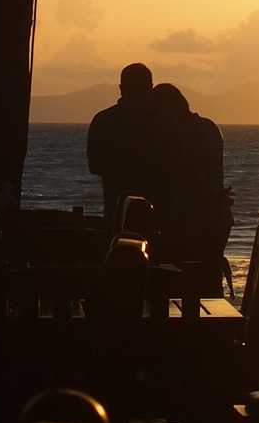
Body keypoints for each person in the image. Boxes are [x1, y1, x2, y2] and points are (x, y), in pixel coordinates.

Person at [150, 82, 235, 270]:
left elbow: (190, 175)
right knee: (208, 274)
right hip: (218, 217)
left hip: (194, 220)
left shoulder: (182, 132)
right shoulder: (209, 127)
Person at [87, 63, 182, 224]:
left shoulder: (103, 120)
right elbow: (178, 164)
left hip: (116, 213)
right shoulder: (167, 121)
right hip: (161, 214)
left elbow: (94, 166)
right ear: (150, 88)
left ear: (121, 88)